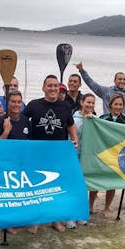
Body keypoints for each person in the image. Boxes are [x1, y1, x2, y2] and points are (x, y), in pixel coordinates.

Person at [23, 74, 78, 232]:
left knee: (55, 188)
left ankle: (55, 220)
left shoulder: (65, 106)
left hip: (57, 155)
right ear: (43, 88)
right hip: (36, 154)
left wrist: (75, 138)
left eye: (55, 85)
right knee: (36, 187)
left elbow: (71, 124)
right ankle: (35, 220)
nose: (53, 88)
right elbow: (21, 122)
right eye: (50, 85)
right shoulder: (34, 105)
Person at [0, 90, 31, 238]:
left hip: (19, 165)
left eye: (19, 102)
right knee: (0, 197)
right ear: (7, 103)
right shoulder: (1, 122)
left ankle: (9, 224)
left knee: (13, 197)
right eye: (13, 101)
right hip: (2, 165)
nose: (16, 105)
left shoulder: (26, 121)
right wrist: (6, 132)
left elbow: (28, 145)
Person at [95, 94, 125, 219]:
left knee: (112, 183)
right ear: (110, 105)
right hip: (102, 155)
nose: (118, 107)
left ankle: (107, 207)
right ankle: (90, 206)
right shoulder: (102, 118)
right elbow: (94, 131)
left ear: (123, 106)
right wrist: (90, 118)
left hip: (117, 157)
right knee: (97, 181)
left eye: (120, 104)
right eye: (115, 104)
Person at [65, 93, 95, 228]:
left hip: (86, 158)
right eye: (88, 102)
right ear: (82, 102)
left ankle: (79, 214)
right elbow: (70, 137)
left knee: (82, 188)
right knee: (71, 187)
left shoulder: (93, 119)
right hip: (73, 157)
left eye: (92, 103)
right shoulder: (75, 119)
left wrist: (92, 121)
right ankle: (68, 217)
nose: (90, 105)